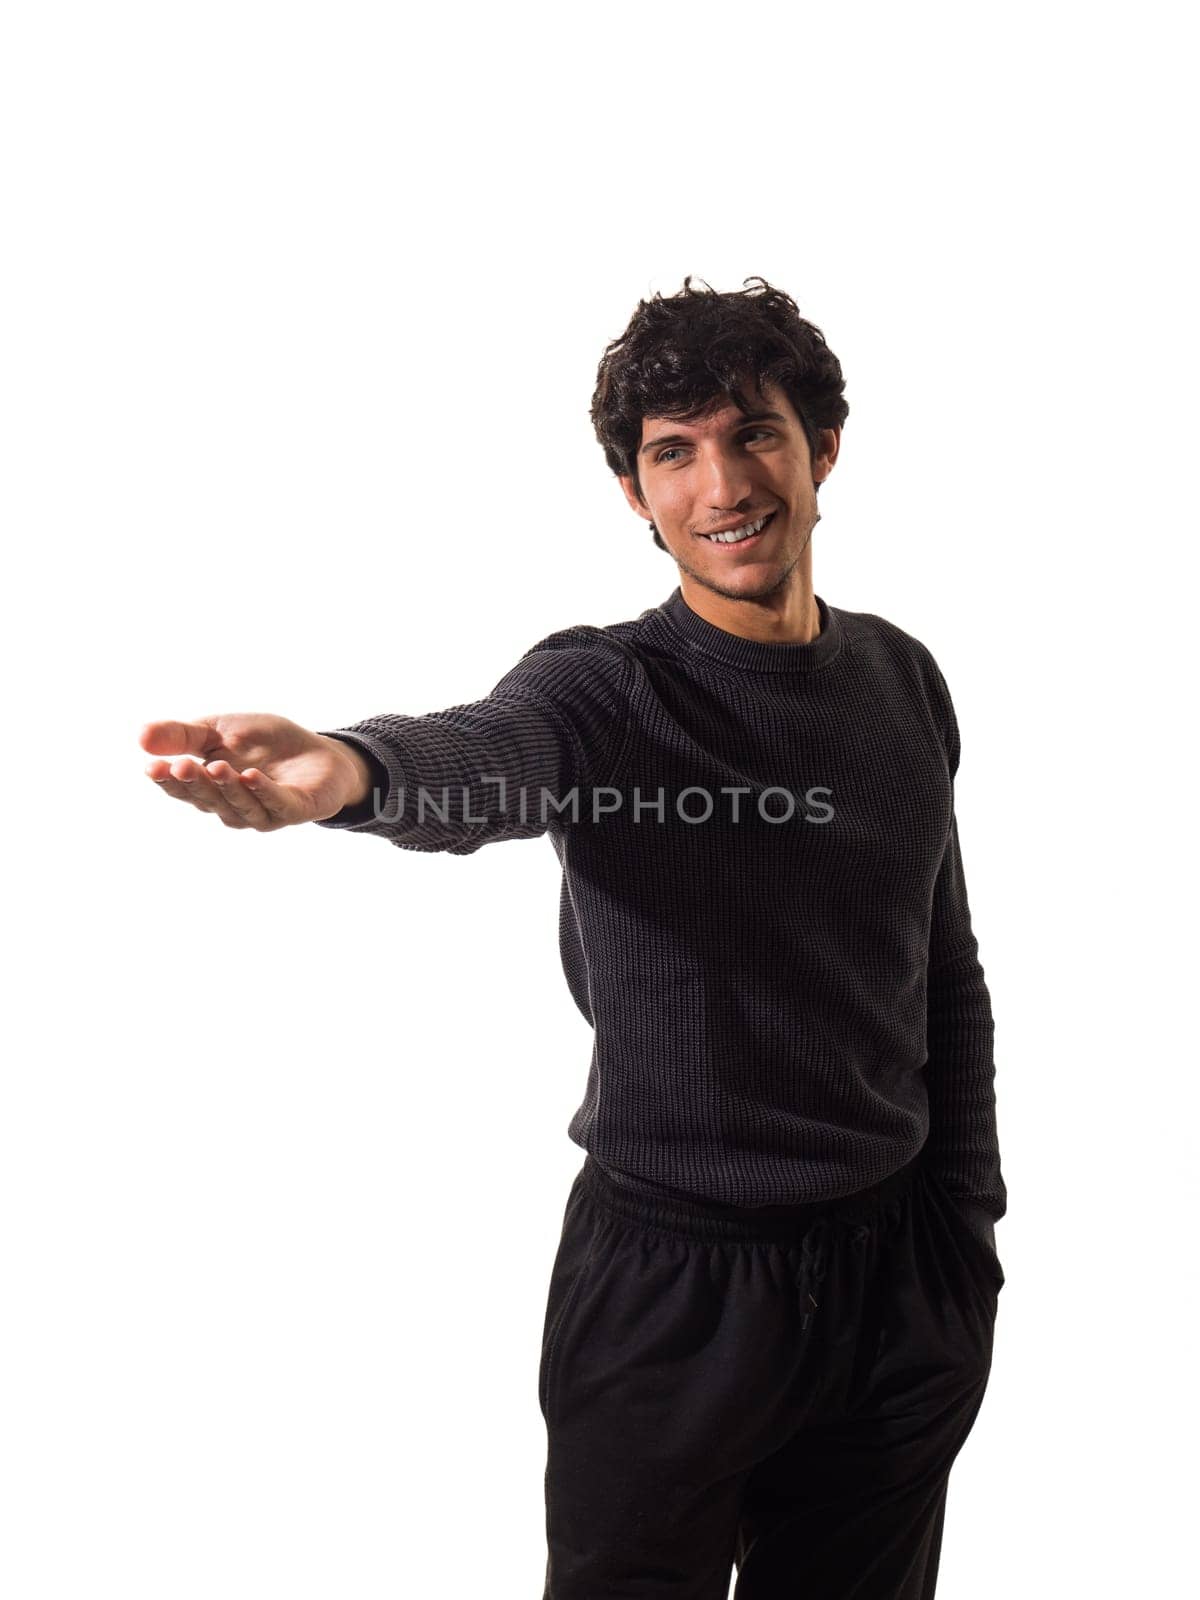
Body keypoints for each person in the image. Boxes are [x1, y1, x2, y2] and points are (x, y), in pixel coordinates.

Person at [141, 275, 1007, 1599]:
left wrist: (965, 1244)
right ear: (635, 493)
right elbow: (489, 753)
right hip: (673, 1294)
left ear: (822, 449)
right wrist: (346, 768)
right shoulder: (607, 692)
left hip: (898, 1281)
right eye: (673, 453)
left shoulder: (903, 677)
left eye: (752, 434)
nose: (722, 486)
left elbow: (943, 969)